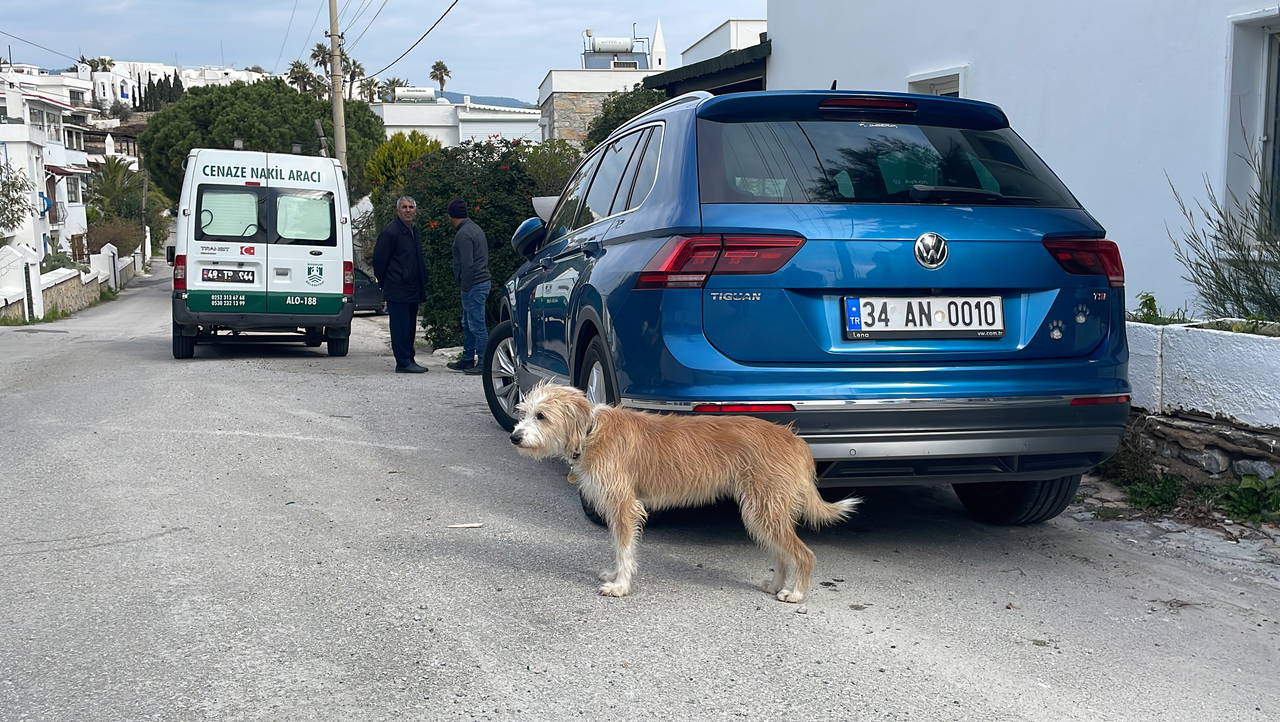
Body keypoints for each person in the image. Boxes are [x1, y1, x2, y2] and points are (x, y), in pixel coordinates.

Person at [373, 196, 429, 373]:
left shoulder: (414, 230)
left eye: (411, 207)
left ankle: (409, 358)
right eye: (404, 207)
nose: (408, 210)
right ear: (398, 210)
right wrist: (388, 281)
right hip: (397, 288)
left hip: (413, 288)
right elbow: (379, 261)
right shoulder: (391, 232)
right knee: (400, 326)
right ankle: (402, 362)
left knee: (410, 326)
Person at [445, 198, 491, 375]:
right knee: (469, 323)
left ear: (451, 216)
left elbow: (467, 264)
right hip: (480, 282)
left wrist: (464, 286)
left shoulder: (463, 234)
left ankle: (483, 361)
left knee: (476, 324)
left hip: (474, 284)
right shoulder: (475, 229)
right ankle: (467, 358)